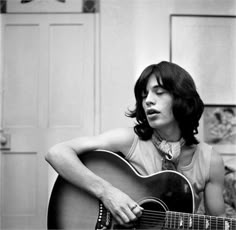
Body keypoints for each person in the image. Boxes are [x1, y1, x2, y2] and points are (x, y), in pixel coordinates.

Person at [45, 61, 225, 227]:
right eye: (144, 95)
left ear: (182, 97)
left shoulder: (210, 161)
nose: (148, 100)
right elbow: (57, 153)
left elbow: (218, 222)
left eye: (159, 92)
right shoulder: (129, 140)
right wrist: (107, 193)